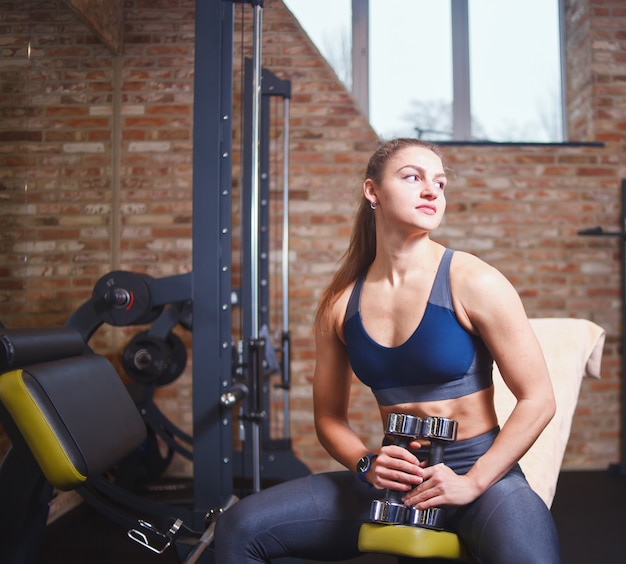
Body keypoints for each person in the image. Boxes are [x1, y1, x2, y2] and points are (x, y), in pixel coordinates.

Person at [214, 138, 561, 563]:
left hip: (479, 479)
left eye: (440, 182)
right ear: (372, 191)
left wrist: (471, 483)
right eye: (413, 177)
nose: (432, 190)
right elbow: (328, 418)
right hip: (393, 485)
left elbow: (539, 399)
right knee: (238, 528)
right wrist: (365, 463)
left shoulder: (474, 281)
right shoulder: (341, 305)